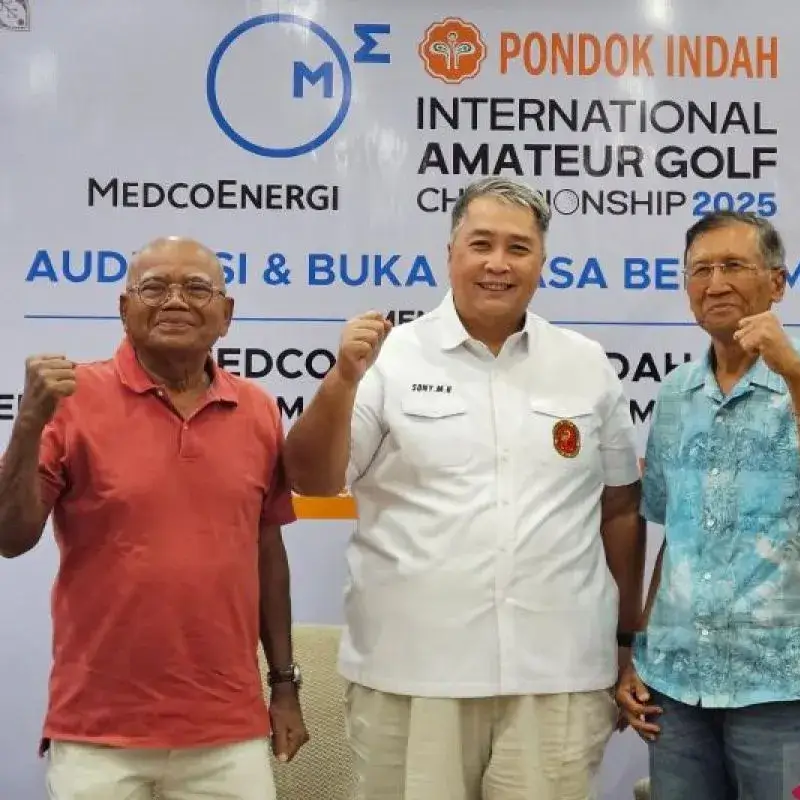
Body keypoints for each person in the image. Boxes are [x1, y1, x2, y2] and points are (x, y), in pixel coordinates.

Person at [283, 176, 644, 800]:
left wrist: (625, 640)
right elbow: (313, 479)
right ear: (450, 254)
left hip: (556, 675)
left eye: (518, 248)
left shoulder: (585, 363)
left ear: (542, 262)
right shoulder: (389, 358)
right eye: (481, 244)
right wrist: (341, 380)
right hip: (412, 674)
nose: (498, 263)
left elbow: (619, 507)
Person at [0, 237, 308, 799]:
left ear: (226, 315)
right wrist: (27, 426)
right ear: (124, 309)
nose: (175, 300)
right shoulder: (70, 399)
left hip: (227, 730)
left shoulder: (259, 409)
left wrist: (284, 685)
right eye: (154, 287)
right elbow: (9, 538)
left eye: (196, 288)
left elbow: (267, 554)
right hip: (98, 732)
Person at [614, 210, 800, 798]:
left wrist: (798, 382)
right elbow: (676, 541)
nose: (715, 284)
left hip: (783, 691)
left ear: (777, 283)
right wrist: (640, 651)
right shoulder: (676, 393)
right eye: (700, 270)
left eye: (734, 266)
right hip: (676, 687)